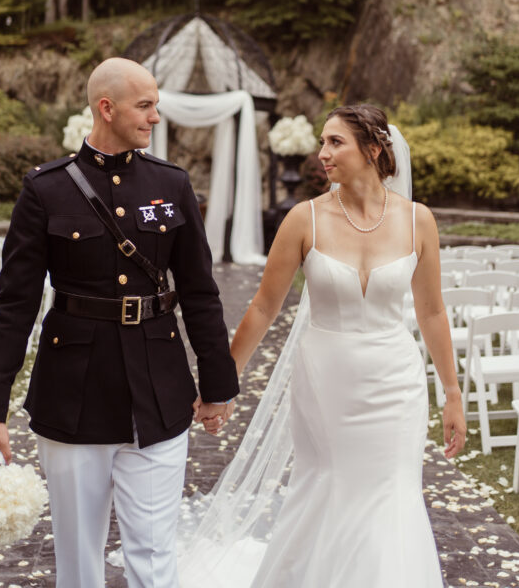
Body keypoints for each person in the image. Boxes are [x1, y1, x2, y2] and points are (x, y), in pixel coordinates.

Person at [0, 57, 239, 588]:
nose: (155, 118)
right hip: (72, 397)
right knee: (78, 563)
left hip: (159, 393)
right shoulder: (45, 190)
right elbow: (15, 305)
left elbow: (200, 292)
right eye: (145, 107)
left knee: (154, 557)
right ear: (106, 108)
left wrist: (217, 386)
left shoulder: (172, 184)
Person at [180, 103, 466, 588]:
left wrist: (452, 393)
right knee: (327, 488)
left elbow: (432, 312)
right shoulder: (303, 219)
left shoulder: (419, 221)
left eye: (336, 142)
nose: (322, 154)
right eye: (321, 142)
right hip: (325, 382)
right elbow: (264, 309)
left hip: (396, 383)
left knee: (392, 493)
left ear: (373, 149)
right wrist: (221, 385)